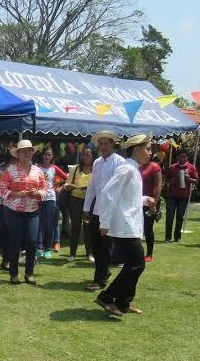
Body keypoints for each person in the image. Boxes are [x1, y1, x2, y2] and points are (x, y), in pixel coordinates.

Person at [94, 134, 154, 317]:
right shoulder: (126, 169)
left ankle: (122, 303)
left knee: (133, 265)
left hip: (128, 224)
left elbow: (126, 198)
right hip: (123, 226)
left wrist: (144, 200)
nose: (151, 152)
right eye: (148, 148)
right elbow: (107, 194)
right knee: (137, 265)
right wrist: (104, 222)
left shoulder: (132, 170)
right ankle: (109, 298)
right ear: (136, 149)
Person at [0, 139, 47, 285]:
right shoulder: (10, 170)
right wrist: (15, 194)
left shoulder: (38, 171)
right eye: (23, 151)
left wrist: (37, 193)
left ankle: (29, 273)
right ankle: (14, 274)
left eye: (29, 150)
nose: (26, 153)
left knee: (31, 242)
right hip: (13, 210)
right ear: (17, 154)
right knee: (15, 242)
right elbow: (0, 190)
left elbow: (45, 190)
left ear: (33, 153)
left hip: (32, 210)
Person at [83, 131, 125, 291]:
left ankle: (99, 280)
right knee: (95, 244)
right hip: (97, 210)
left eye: (106, 143)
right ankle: (104, 271)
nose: (103, 146)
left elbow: (119, 189)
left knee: (105, 246)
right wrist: (87, 208)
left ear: (113, 144)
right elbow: (92, 187)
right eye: (101, 144)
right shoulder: (97, 162)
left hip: (111, 212)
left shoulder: (120, 162)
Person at [64, 146, 94, 261]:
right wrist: (69, 186)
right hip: (75, 200)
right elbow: (67, 184)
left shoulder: (96, 168)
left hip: (90, 202)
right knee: (75, 227)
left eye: (88, 154)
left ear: (93, 156)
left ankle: (89, 254)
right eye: (84, 154)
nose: (85, 157)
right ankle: (72, 254)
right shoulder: (76, 169)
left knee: (88, 228)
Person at [164, 150, 199, 243]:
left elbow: (196, 181)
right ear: (177, 158)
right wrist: (171, 181)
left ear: (187, 157)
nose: (182, 158)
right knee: (169, 216)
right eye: (180, 156)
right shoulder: (172, 167)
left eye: (184, 156)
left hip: (184, 196)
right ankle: (167, 237)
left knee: (180, 217)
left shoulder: (191, 168)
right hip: (172, 195)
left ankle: (177, 237)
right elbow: (165, 179)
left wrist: (189, 179)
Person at [36, 147, 59, 259]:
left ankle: (47, 248)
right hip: (39, 198)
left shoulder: (54, 168)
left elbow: (67, 177)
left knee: (49, 224)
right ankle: (39, 247)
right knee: (39, 223)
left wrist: (58, 187)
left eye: (49, 155)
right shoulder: (37, 168)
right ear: (42, 155)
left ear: (52, 157)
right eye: (45, 154)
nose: (47, 157)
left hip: (50, 198)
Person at [140, 150, 162, 262]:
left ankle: (149, 254)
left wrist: (155, 202)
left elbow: (159, 184)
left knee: (148, 228)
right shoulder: (137, 166)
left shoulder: (155, 167)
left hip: (150, 202)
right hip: (137, 201)